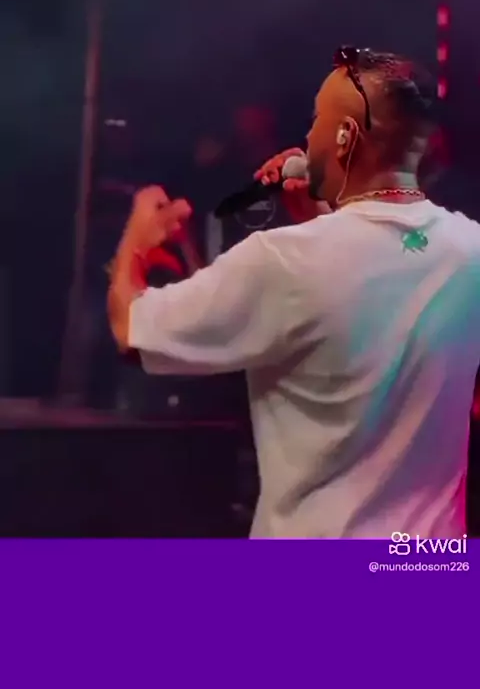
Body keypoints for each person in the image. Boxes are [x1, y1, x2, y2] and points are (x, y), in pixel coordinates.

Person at [107, 47, 480, 539]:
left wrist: (138, 234)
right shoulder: (470, 251)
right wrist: (325, 217)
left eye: (317, 119)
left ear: (345, 136)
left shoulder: (283, 260)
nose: (308, 136)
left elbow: (131, 331)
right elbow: (379, 270)